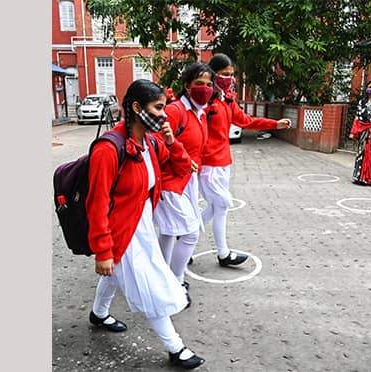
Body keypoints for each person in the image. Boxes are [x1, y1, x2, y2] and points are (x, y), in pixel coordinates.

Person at [86, 79, 205, 369]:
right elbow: (96, 203)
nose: (164, 114)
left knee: (114, 276)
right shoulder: (108, 149)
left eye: (165, 107)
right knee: (149, 284)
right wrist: (103, 250)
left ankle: (99, 313)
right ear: (138, 108)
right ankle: (175, 347)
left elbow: (179, 168)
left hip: (141, 226)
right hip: (120, 234)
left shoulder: (149, 143)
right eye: (158, 108)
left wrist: (171, 141)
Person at [199, 53, 292, 267]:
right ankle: (222, 253)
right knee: (222, 204)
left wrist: (274, 124)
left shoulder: (227, 99)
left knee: (216, 207)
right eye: (224, 74)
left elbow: (245, 121)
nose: (229, 79)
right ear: (213, 74)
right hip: (208, 164)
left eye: (231, 75)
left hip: (223, 162)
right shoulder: (205, 102)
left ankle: (187, 236)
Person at [152, 63, 214, 304]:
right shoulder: (176, 110)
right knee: (189, 233)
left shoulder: (200, 112)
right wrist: (182, 159)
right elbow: (156, 143)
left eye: (209, 84)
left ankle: (163, 275)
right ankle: (175, 281)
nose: (205, 89)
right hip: (170, 181)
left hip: (187, 181)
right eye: (199, 84)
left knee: (169, 231)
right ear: (187, 86)